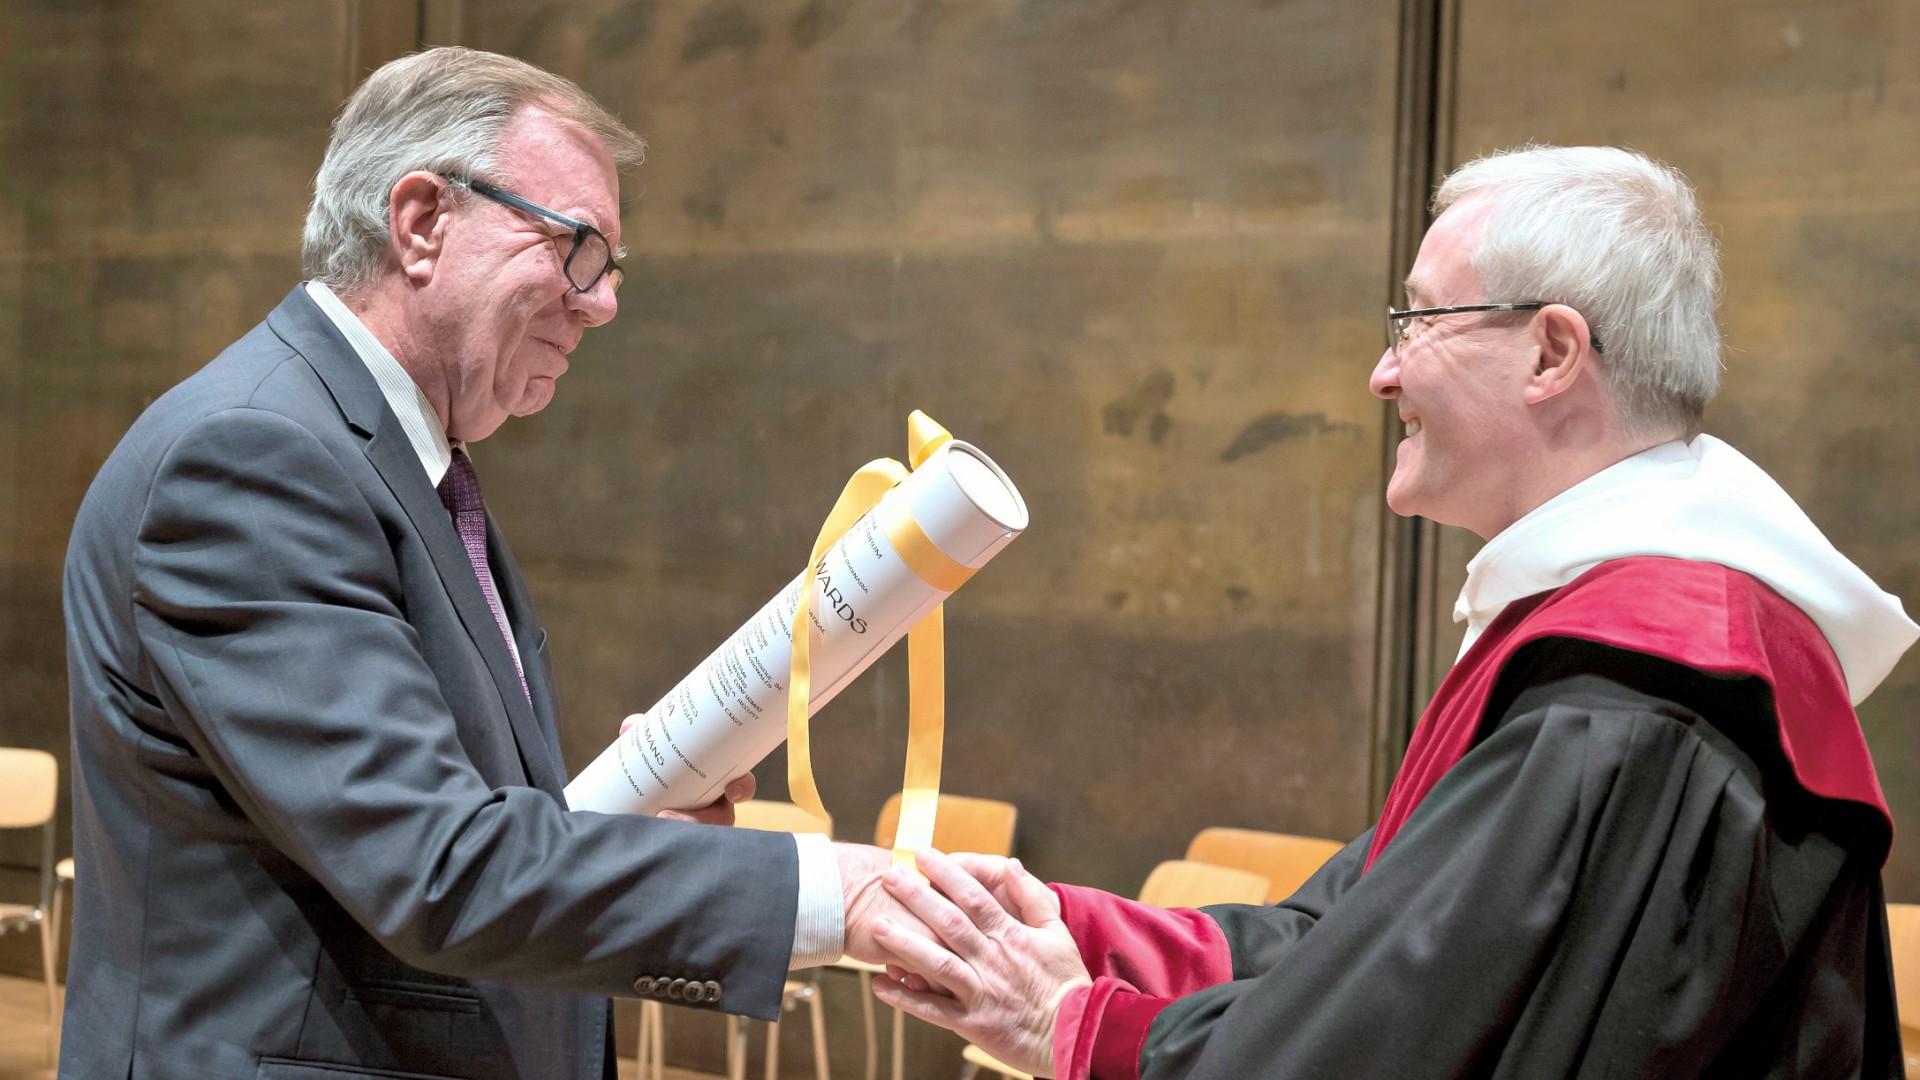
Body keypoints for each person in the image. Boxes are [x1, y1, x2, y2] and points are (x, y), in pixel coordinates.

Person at [863, 145, 1917, 1078]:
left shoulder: (1638, 693)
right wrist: (1052, 931)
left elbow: (1383, 1042)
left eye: (1416, 319)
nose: (1381, 372)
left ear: (1553, 354)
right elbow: (1350, 941)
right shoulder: (1609, 645)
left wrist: (1070, 1028)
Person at [61, 47, 918, 1080]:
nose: (599, 303)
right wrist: (834, 894)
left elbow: (415, 818)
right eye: (578, 248)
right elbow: (436, 868)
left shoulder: (395, 458)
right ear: (423, 223)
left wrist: (633, 817)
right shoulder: (253, 458)